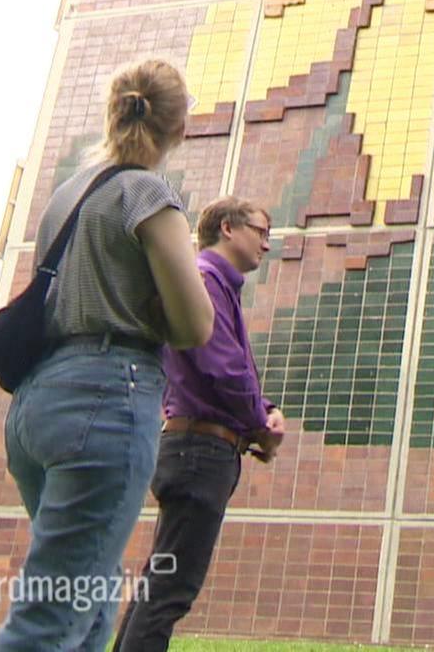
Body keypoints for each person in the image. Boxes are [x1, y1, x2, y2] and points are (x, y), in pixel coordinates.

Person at [0, 59, 215, 652]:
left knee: (88, 602)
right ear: (181, 125)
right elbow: (196, 325)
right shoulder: (147, 192)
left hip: (37, 403)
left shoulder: (69, 194)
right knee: (52, 616)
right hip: (107, 399)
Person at [115, 197, 286, 650]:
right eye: (261, 231)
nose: (267, 245)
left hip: (196, 449)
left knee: (160, 585)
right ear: (228, 228)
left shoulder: (214, 285)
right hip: (200, 452)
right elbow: (222, 368)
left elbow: (228, 367)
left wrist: (262, 409)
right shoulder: (207, 281)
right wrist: (261, 424)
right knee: (170, 591)